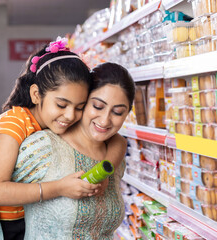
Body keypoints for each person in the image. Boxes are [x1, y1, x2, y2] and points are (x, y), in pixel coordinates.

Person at [0, 38, 126, 240]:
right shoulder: (14, 124)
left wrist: (105, 172)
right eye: (62, 105)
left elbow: (118, 141)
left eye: (79, 107)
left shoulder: (57, 123)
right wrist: (60, 188)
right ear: (36, 94)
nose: (70, 115)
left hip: (19, 219)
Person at [17, 62, 135, 239]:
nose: (104, 121)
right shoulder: (43, 146)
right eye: (97, 106)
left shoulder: (114, 160)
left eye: (117, 112)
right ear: (83, 101)